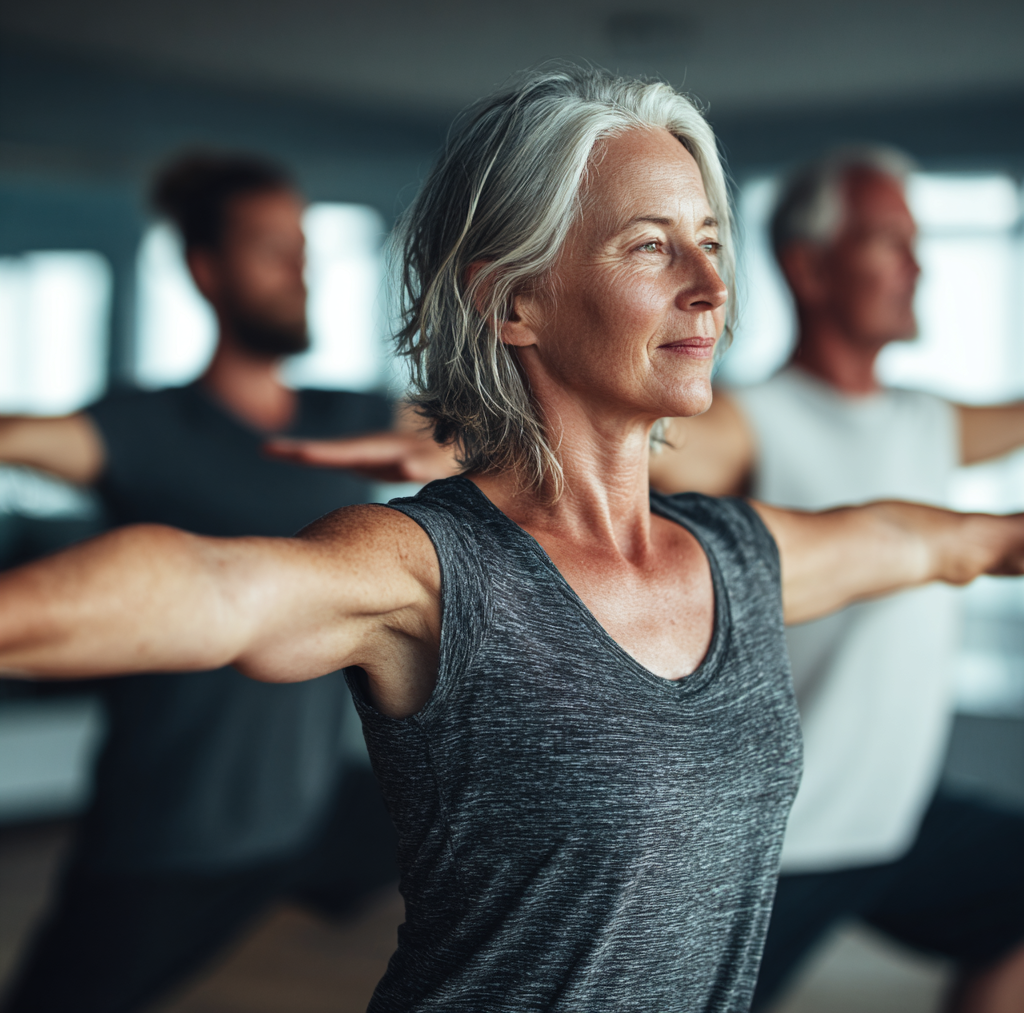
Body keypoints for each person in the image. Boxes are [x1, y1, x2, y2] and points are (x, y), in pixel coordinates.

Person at [3, 67, 1024, 1013]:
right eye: (649, 245)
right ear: (513, 300)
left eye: (710, 240)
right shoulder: (434, 569)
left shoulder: (737, 556)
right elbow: (216, 584)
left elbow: (936, 540)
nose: (709, 287)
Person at [0, 154, 399, 1013]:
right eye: (269, 248)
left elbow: (506, 424)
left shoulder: (351, 417)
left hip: (305, 812)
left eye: (302, 245)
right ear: (204, 270)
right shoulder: (143, 425)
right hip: (166, 834)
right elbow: (22, 435)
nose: (300, 269)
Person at [648, 147, 1024, 1011]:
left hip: (894, 817)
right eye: (888, 240)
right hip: (775, 841)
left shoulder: (931, 422)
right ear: (810, 267)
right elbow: (655, 445)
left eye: (916, 241)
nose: (917, 265)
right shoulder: (747, 420)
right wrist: (498, 439)